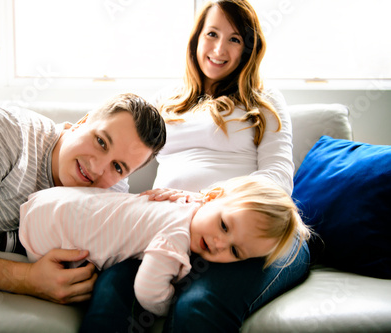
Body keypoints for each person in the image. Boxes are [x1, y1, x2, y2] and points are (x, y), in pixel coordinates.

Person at [80, 1, 311, 332]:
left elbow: (276, 180)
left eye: (234, 39)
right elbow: (121, 165)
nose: (219, 49)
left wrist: (203, 201)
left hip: (258, 232)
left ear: (249, 47)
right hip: (170, 229)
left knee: (197, 307)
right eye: (212, 34)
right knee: (109, 297)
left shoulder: (263, 99)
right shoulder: (164, 101)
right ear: (196, 39)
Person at [0, 93, 166, 305]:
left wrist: (171, 204)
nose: (97, 168)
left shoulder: (110, 193)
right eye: (101, 142)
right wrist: (27, 279)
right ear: (81, 122)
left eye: (118, 167)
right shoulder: (1, 132)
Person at [18, 175, 310, 317]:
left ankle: (7, 240)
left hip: (52, 201)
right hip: (49, 234)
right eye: (224, 225)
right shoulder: (176, 237)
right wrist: (167, 302)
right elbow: (148, 291)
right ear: (212, 196)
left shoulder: (188, 204)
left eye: (235, 252)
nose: (219, 244)